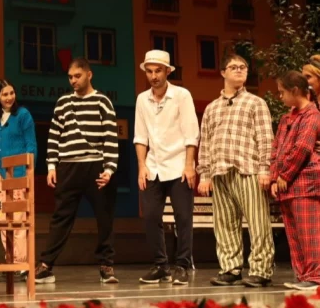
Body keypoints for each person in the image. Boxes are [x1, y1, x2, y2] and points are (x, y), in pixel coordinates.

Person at [34, 57, 119, 284]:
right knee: (61, 216)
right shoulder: (63, 103)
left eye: (77, 76)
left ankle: (106, 265)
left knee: (104, 216)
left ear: (89, 75)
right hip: (69, 166)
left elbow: (110, 137)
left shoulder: (102, 102)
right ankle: (46, 265)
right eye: (70, 77)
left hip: (96, 165)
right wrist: (51, 165)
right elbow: (54, 136)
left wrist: (109, 169)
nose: (73, 80)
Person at [197, 54, 275, 288]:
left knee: (258, 222)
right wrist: (205, 174)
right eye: (234, 67)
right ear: (223, 72)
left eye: (243, 67)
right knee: (225, 224)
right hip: (220, 171)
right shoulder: (212, 107)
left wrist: (265, 169)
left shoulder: (256, 103)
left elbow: (265, 138)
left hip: (248, 169)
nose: (239, 70)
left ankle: (261, 270)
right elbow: (205, 142)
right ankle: (230, 268)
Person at [134, 49, 199, 285]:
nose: (154, 76)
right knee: (151, 216)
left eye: (158, 71)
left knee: (183, 217)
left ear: (168, 71)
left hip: (179, 164)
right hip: (154, 166)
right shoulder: (142, 99)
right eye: (150, 71)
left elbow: (191, 133)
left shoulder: (181, 95)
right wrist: (141, 166)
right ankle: (161, 265)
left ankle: (182, 265)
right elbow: (140, 136)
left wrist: (189, 164)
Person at [271, 71, 320, 291]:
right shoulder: (286, 118)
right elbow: (276, 149)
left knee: (309, 233)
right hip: (286, 186)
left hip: (305, 183)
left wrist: (285, 175)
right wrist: (275, 178)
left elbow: (303, 147)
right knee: (294, 234)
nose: (280, 96)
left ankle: (316, 276)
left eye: (282, 92)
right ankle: (303, 276)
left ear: (295, 90)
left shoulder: (312, 115)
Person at [0, 79, 37, 282]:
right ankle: (10, 263)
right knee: (2, 220)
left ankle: (21, 264)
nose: (9, 97)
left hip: (18, 174)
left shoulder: (23, 115)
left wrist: (28, 172)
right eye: (5, 94)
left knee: (18, 219)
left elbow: (31, 146)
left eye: (11, 93)